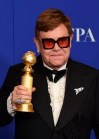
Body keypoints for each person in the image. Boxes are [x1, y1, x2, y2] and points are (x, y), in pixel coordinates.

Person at [0, 8, 99, 139]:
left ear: (71, 40)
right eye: (48, 42)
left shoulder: (92, 77)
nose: (56, 48)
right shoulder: (18, 73)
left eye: (62, 41)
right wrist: (12, 102)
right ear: (37, 43)